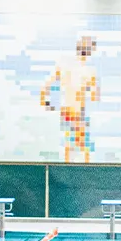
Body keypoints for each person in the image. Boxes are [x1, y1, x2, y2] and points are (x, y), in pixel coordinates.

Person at [39, 35, 102, 163]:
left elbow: (47, 85)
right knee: (82, 144)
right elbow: (95, 96)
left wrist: (45, 101)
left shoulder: (64, 63)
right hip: (77, 111)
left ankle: (68, 164)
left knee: (70, 142)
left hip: (66, 109)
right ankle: (85, 169)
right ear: (90, 52)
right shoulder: (89, 72)